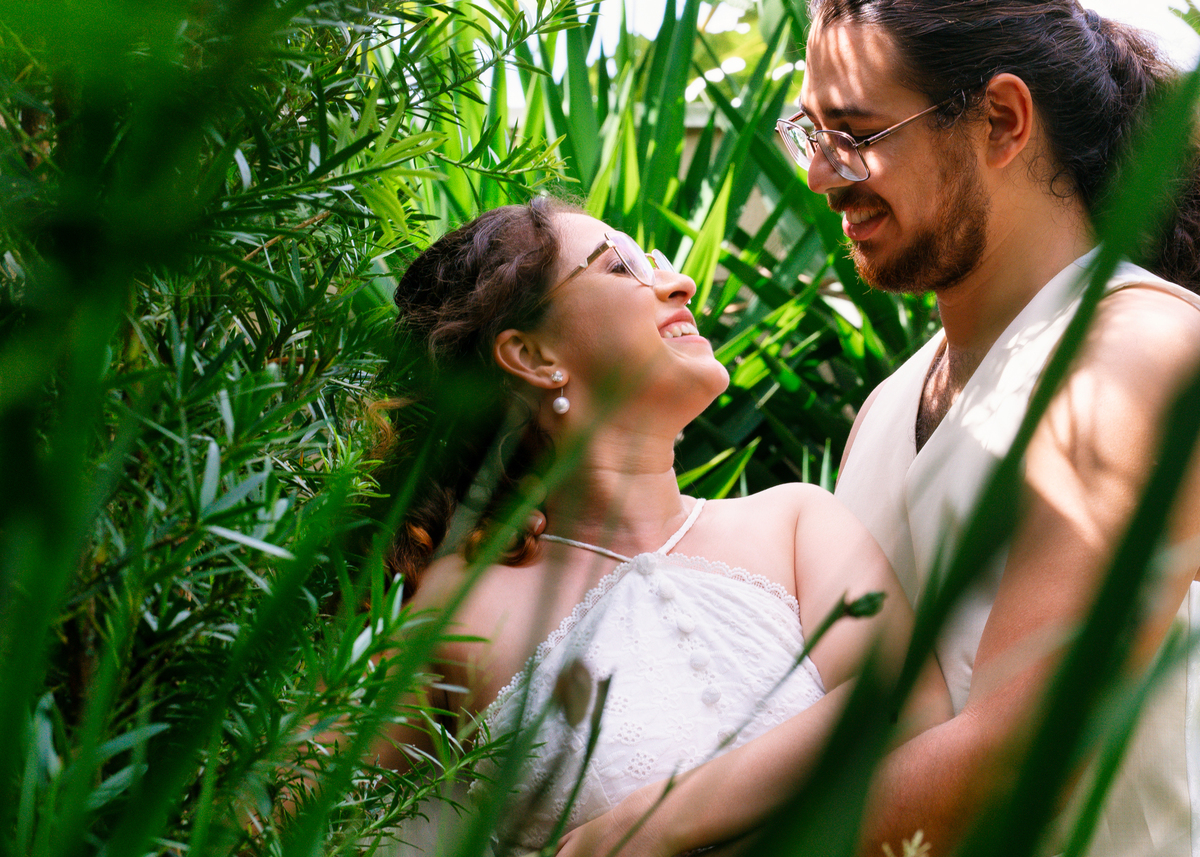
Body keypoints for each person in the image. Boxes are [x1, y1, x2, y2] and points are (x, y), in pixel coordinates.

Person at [373, 198, 950, 854]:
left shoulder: (795, 523)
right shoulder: (454, 608)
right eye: (620, 267)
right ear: (530, 354)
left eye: (655, 261)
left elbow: (908, 702)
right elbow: (298, 802)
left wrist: (643, 825)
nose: (680, 282)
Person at [776, 1, 1200, 855]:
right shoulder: (886, 408)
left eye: (856, 132)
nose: (820, 173)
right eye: (810, 133)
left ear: (1002, 120)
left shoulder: (1139, 350)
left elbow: (1025, 748)